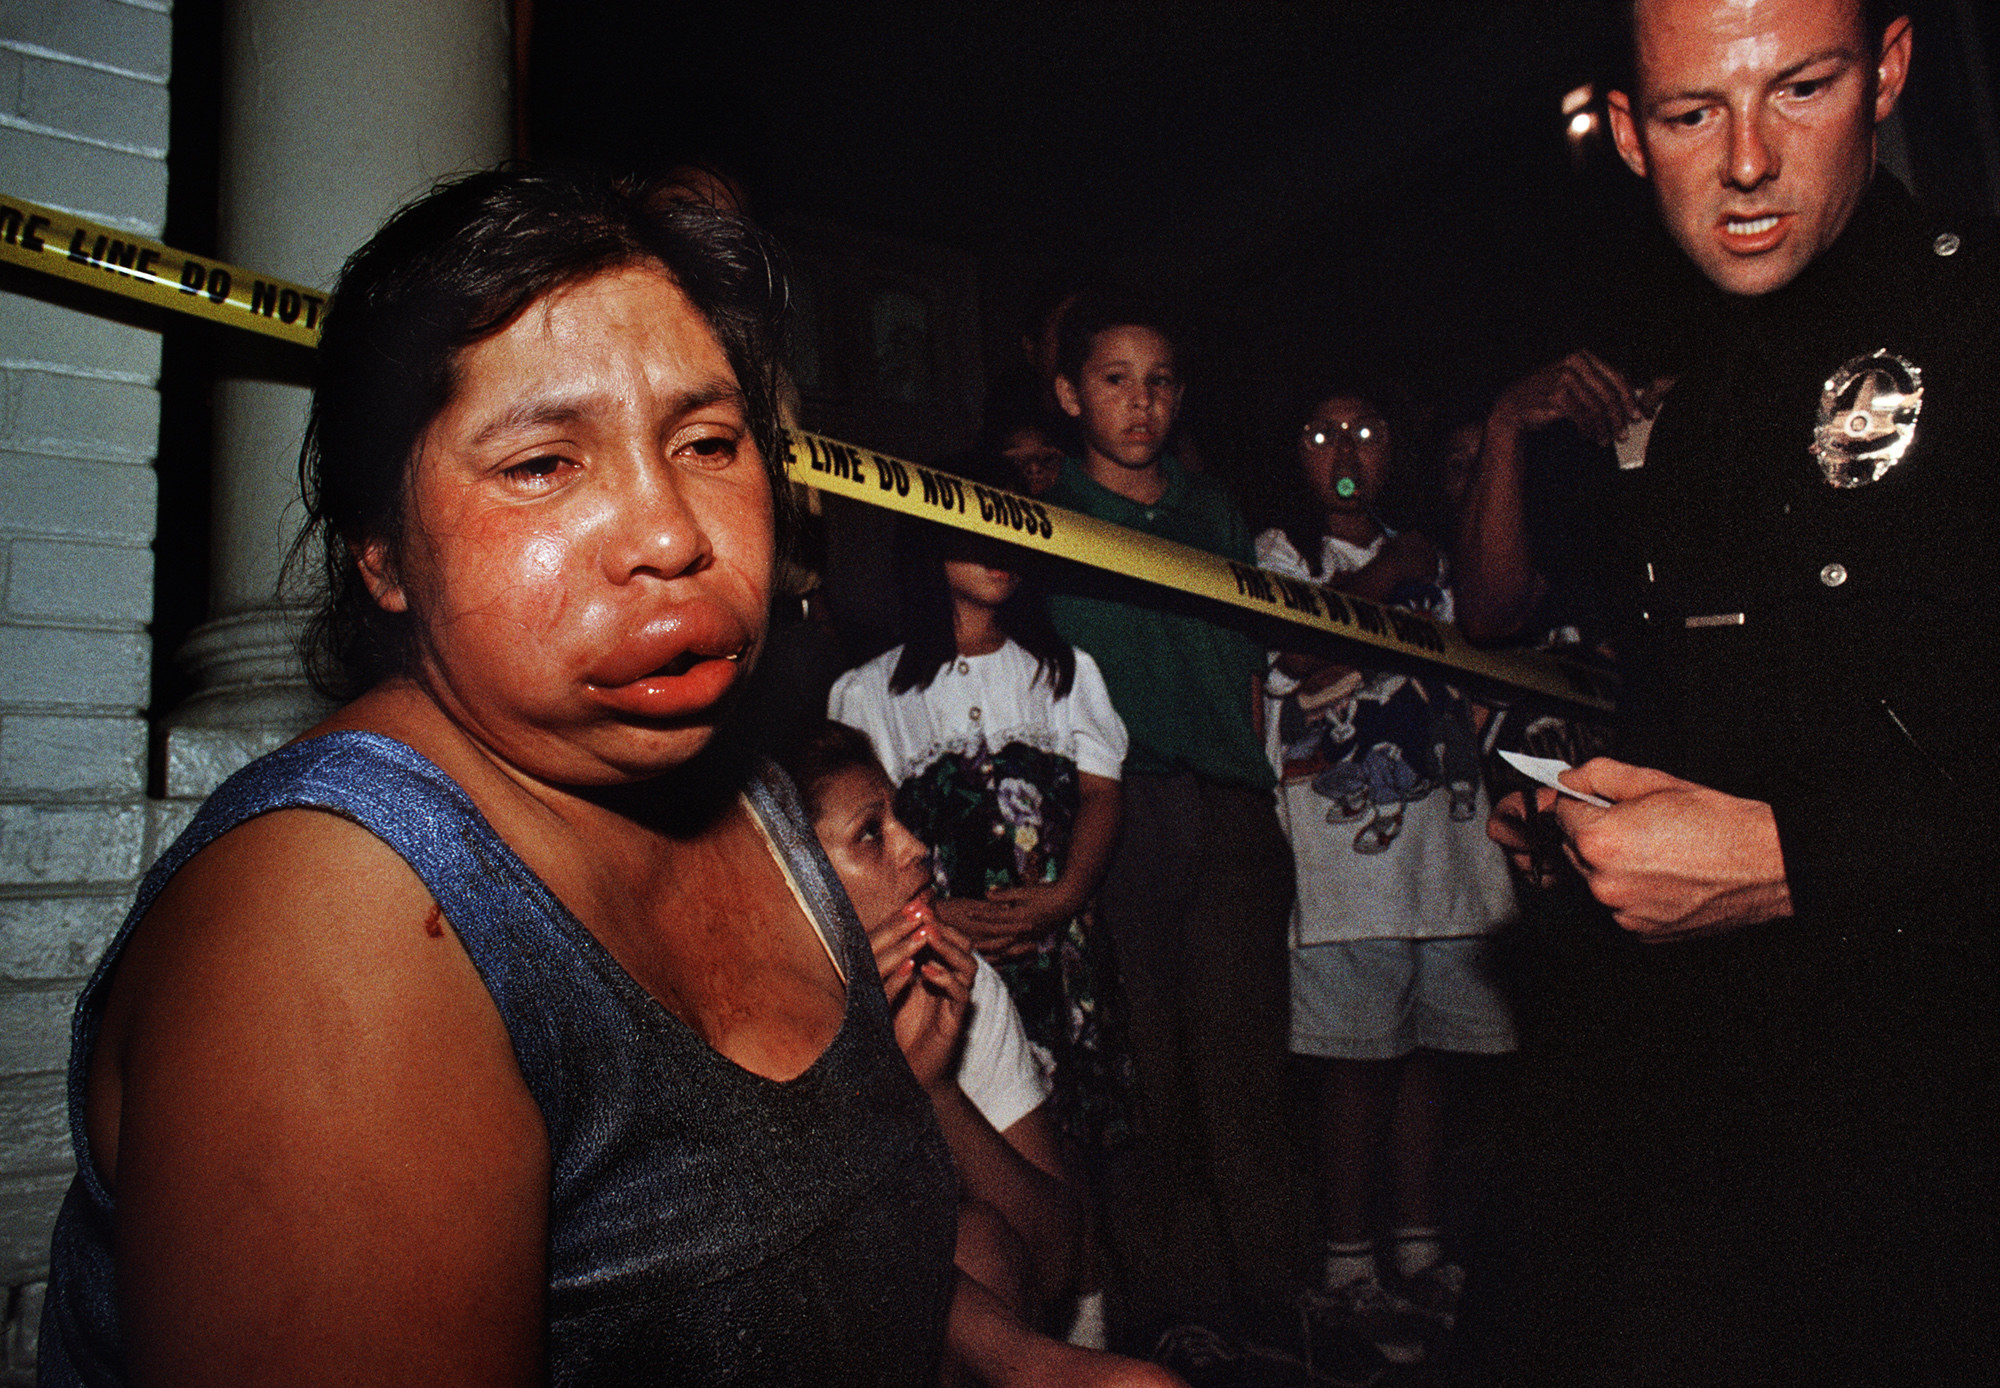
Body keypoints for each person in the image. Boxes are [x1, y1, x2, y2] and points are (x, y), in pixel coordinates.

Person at [37, 168, 960, 1386]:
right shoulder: (335, 918)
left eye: (707, 441)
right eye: (540, 464)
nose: (672, 531)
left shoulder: (761, 795)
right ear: (380, 553)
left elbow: (818, 1255)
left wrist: (1018, 1354)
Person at [1461, 2, 2000, 1381]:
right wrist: (1604, 817)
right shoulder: (1695, 402)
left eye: (1800, 88)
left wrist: (1791, 863)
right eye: (1696, 113)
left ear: (1886, 70)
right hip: (1716, 1127)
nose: (1748, 161)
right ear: (1632, 135)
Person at [1038, 295, 1310, 1354]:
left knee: (1242, 1066)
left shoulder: (1214, 510)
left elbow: (1247, 663)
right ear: (1069, 393)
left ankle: (1273, 1297)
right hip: (1119, 810)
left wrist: (1254, 790)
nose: (1137, 400)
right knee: (1144, 1068)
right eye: (1113, 377)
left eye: (1157, 379)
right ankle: (1175, 1310)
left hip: (1229, 805)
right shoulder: (1042, 508)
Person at [782, 724, 1183, 1388]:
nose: (917, 846)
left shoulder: (954, 981)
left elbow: (1056, 1257)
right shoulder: (740, 1011)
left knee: (981, 1244)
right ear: (792, 880)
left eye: (900, 819)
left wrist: (935, 1092)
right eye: (870, 834)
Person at [1257, 383, 1518, 1366]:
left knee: (1425, 1056)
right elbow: (1291, 640)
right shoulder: (1282, 552)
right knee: (1353, 1064)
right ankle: (1344, 1260)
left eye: (1364, 427)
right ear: (1297, 451)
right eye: (1320, 430)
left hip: (1445, 857)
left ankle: (1417, 1247)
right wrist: (1387, 571)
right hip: (1345, 871)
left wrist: (1415, 561)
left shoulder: (1438, 555)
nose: (1344, 446)